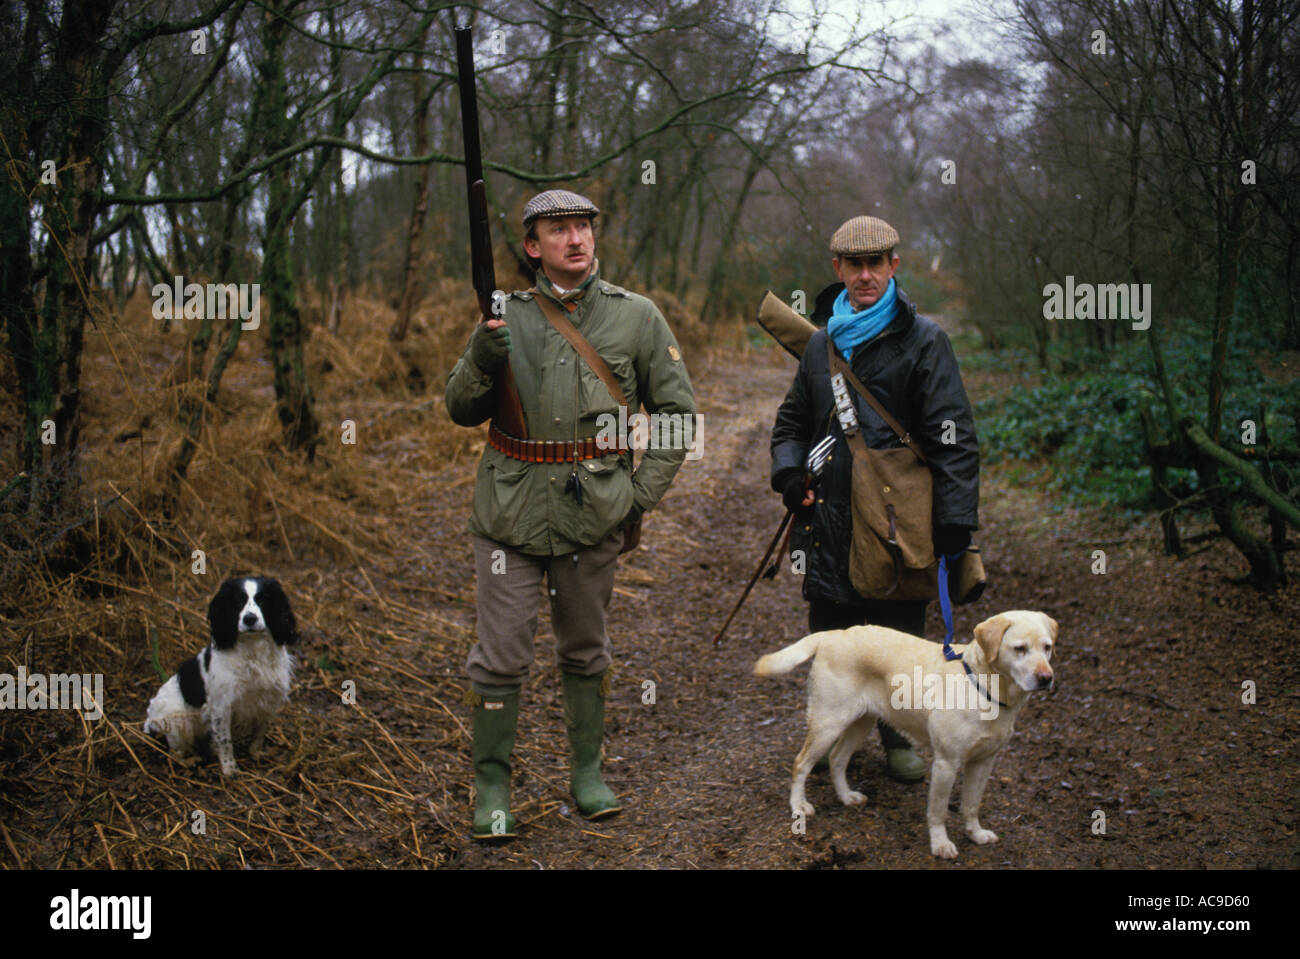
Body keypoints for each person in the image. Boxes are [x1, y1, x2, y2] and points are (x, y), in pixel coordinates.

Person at [445, 189, 696, 839]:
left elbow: (677, 415)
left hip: (594, 513)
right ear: (533, 247)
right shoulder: (504, 317)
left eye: (583, 226)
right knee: (499, 658)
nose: (576, 238)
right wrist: (481, 356)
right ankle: (492, 786)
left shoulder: (637, 317)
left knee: (586, 650)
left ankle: (587, 773)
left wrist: (639, 495)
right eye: (559, 230)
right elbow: (459, 407)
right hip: (509, 514)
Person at [769, 215, 979, 782]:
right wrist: (788, 476)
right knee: (833, 629)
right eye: (854, 265)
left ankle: (902, 740)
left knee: (899, 633)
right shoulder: (820, 345)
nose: (865, 275)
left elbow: (954, 439)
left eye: (876, 263)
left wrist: (956, 523)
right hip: (828, 518)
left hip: (897, 518)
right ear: (837, 269)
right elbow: (789, 425)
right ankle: (832, 734)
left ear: (894, 265)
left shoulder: (926, 341)